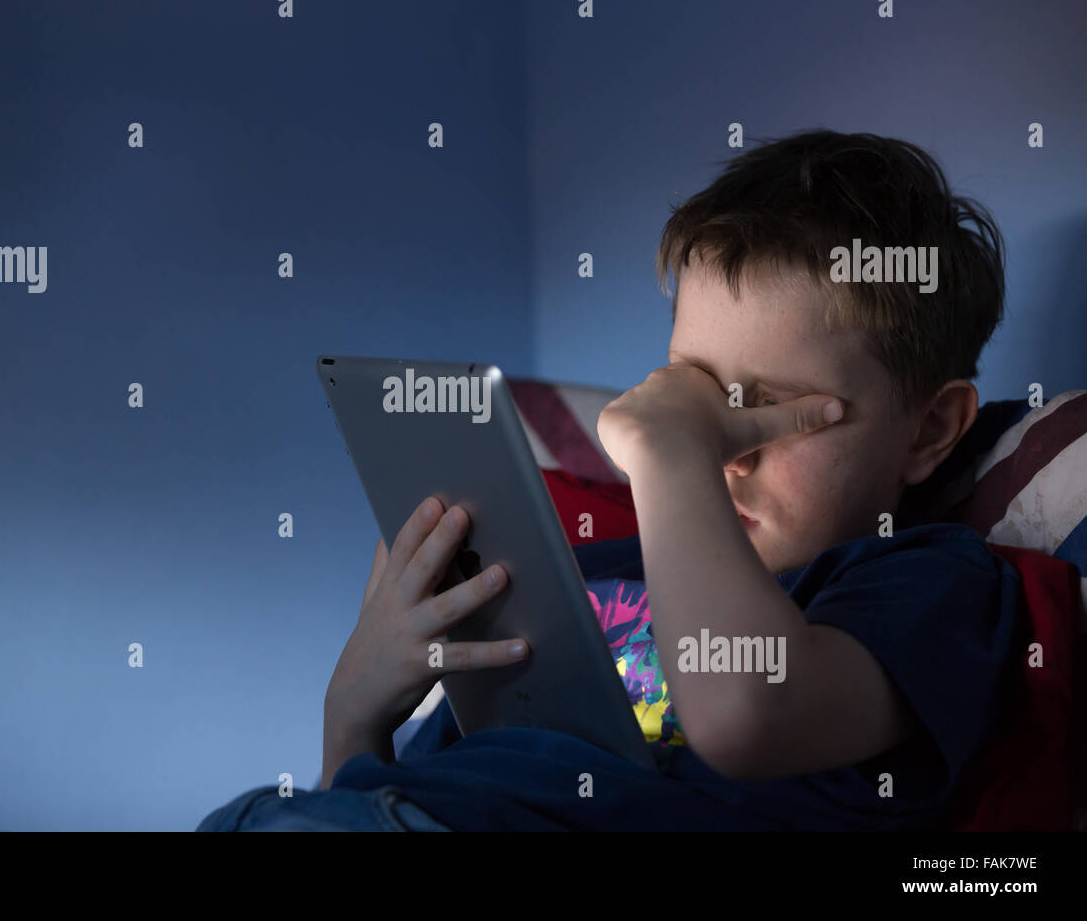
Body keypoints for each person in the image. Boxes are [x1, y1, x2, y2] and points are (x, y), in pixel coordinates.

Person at [200, 129, 1020, 831]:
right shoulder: (582, 571)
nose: (719, 447)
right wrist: (355, 710)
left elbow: (739, 716)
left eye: (768, 407)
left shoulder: (921, 581)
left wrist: (671, 456)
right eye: (693, 393)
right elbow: (394, 791)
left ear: (933, 429)